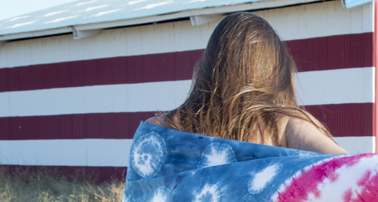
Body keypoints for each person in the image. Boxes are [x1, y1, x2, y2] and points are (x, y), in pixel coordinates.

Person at [148, 12, 347, 155]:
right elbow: (355, 172)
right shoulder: (283, 127)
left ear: (207, 70)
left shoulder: (159, 129)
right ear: (278, 75)